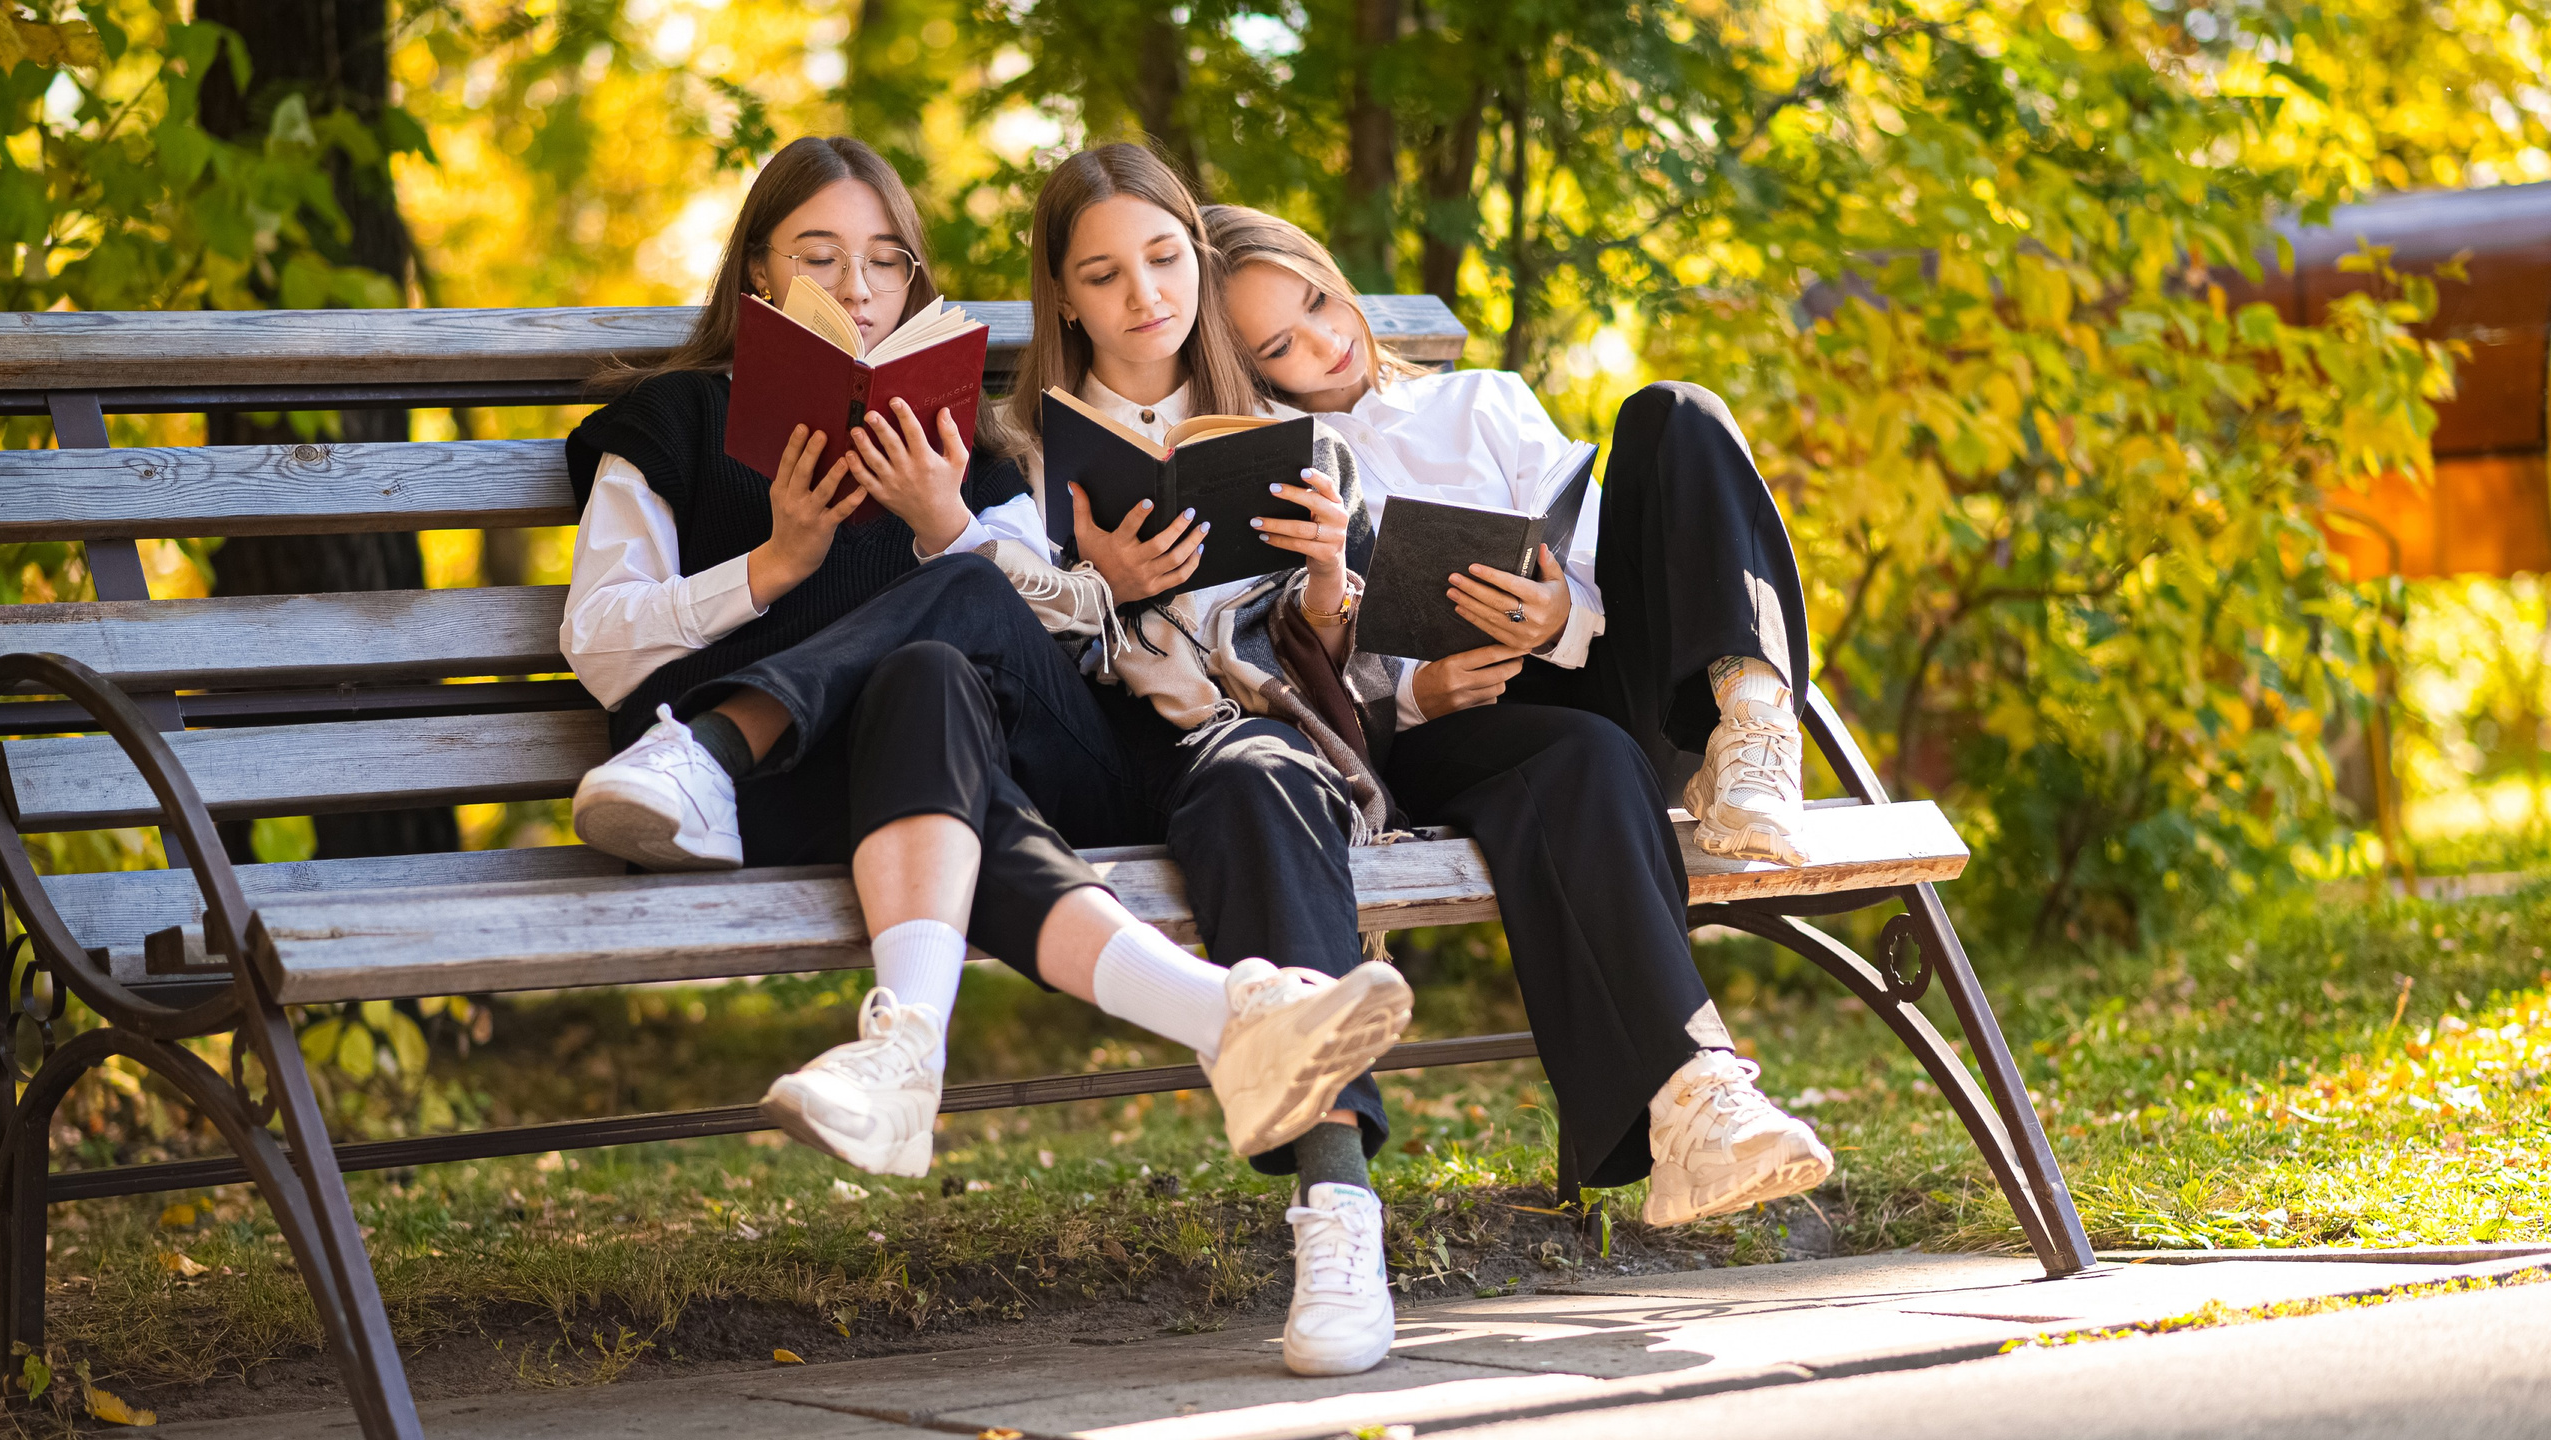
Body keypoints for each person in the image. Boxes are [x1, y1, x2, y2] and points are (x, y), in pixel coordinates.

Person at [553, 137, 1411, 1203]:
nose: (857, 288)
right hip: (737, 806)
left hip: (919, 781)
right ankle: (717, 752)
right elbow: (597, 643)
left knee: (939, 643)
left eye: (885, 260)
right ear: (757, 273)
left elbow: (1028, 632)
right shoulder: (674, 422)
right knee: (960, 616)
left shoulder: (963, 434)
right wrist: (770, 568)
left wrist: (943, 522)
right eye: (818, 258)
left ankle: (905, 1046)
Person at [1199, 203, 1835, 1231]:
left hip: (1584, 675)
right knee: (1575, 759)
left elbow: (1588, 563)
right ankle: (1696, 1104)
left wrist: (1556, 613)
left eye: (1318, 303)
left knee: (1673, 412)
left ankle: (1752, 720)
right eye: (1281, 344)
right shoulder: (1275, 469)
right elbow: (1289, 670)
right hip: (1443, 735)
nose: (1322, 340)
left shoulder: (1482, 401)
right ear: (1249, 369)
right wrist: (1421, 691)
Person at [981, 143, 1414, 1377]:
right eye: (1103, 275)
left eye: (1164, 259)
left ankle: (1337, 1209)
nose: (1144, 296)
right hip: (1078, 756)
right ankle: (1331, 1189)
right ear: (1063, 297)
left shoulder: (1296, 436)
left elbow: (1350, 671)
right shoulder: (1014, 451)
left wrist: (1333, 579)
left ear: (1195, 257)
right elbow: (980, 637)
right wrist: (1091, 584)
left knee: (1261, 776)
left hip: (1228, 738)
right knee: (1219, 753)